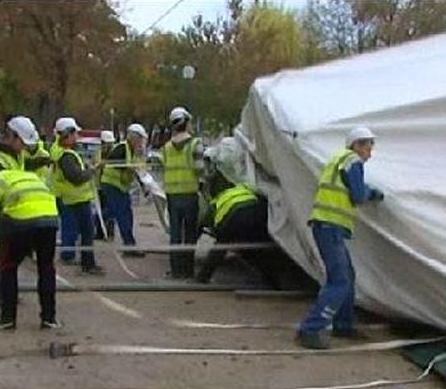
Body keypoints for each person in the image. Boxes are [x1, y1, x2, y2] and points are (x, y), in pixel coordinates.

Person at [296, 126, 385, 350]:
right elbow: (356, 195)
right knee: (340, 280)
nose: (369, 153)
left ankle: (343, 325)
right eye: (367, 146)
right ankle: (310, 329)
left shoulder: (338, 159)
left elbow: (346, 187)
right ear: (356, 145)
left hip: (324, 224)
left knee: (347, 275)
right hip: (330, 226)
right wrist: (372, 193)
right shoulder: (352, 161)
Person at [0, 163, 61, 330]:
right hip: (49, 219)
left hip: (19, 222)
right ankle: (49, 319)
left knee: (8, 269)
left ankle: (7, 319)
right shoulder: (25, 176)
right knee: (46, 269)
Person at [0, 115, 45, 306]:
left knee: (9, 261)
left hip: (13, 215)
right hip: (1, 217)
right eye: (23, 143)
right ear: (12, 136)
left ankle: (3, 293)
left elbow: (23, 167)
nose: (25, 148)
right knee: (2, 260)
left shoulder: (14, 155)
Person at [196, 159, 281, 289]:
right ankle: (274, 282)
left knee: (219, 248)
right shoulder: (242, 188)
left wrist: (191, 242)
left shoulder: (216, 202)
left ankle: (202, 278)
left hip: (233, 221)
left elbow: (204, 225)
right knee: (261, 249)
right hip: (257, 214)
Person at [51, 117, 104, 275]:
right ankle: (88, 264)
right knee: (86, 232)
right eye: (75, 133)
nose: (77, 137)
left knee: (73, 230)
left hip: (69, 198)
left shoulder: (60, 151)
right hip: (76, 199)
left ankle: (79, 259)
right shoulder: (66, 155)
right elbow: (76, 177)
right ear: (68, 134)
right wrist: (92, 170)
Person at [162, 107, 204, 279]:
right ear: (186, 122)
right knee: (190, 234)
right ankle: (188, 270)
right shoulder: (195, 144)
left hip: (172, 195)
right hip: (189, 194)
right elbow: (200, 169)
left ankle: (176, 270)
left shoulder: (166, 148)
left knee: (175, 234)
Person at [100, 124, 148, 256]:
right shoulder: (121, 147)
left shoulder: (132, 151)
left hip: (120, 186)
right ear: (133, 137)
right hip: (112, 185)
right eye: (139, 139)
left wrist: (144, 185)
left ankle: (89, 223)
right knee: (123, 214)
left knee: (114, 212)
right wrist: (129, 168)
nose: (141, 142)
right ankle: (129, 245)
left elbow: (136, 170)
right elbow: (115, 162)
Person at [93, 130, 115, 240]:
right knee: (100, 209)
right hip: (99, 185)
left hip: (110, 185)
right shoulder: (97, 152)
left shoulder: (114, 153)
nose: (108, 145)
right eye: (106, 143)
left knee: (109, 210)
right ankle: (100, 232)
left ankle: (110, 232)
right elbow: (94, 165)